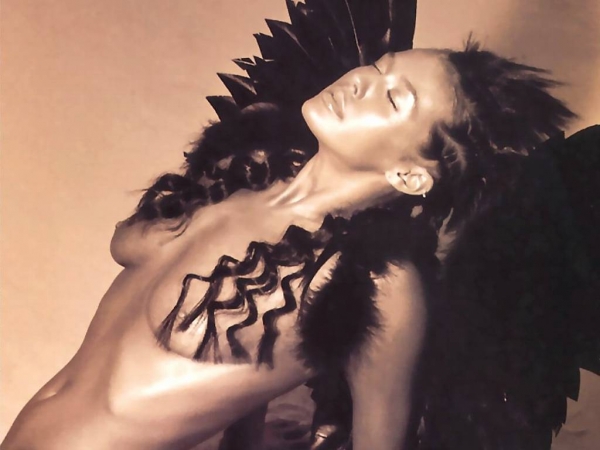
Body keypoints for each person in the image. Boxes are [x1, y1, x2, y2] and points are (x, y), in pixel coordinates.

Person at [2, 36, 585, 449]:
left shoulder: (375, 284)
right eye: (378, 68)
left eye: (392, 99)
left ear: (410, 175)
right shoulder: (244, 171)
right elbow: (235, 361)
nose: (360, 81)